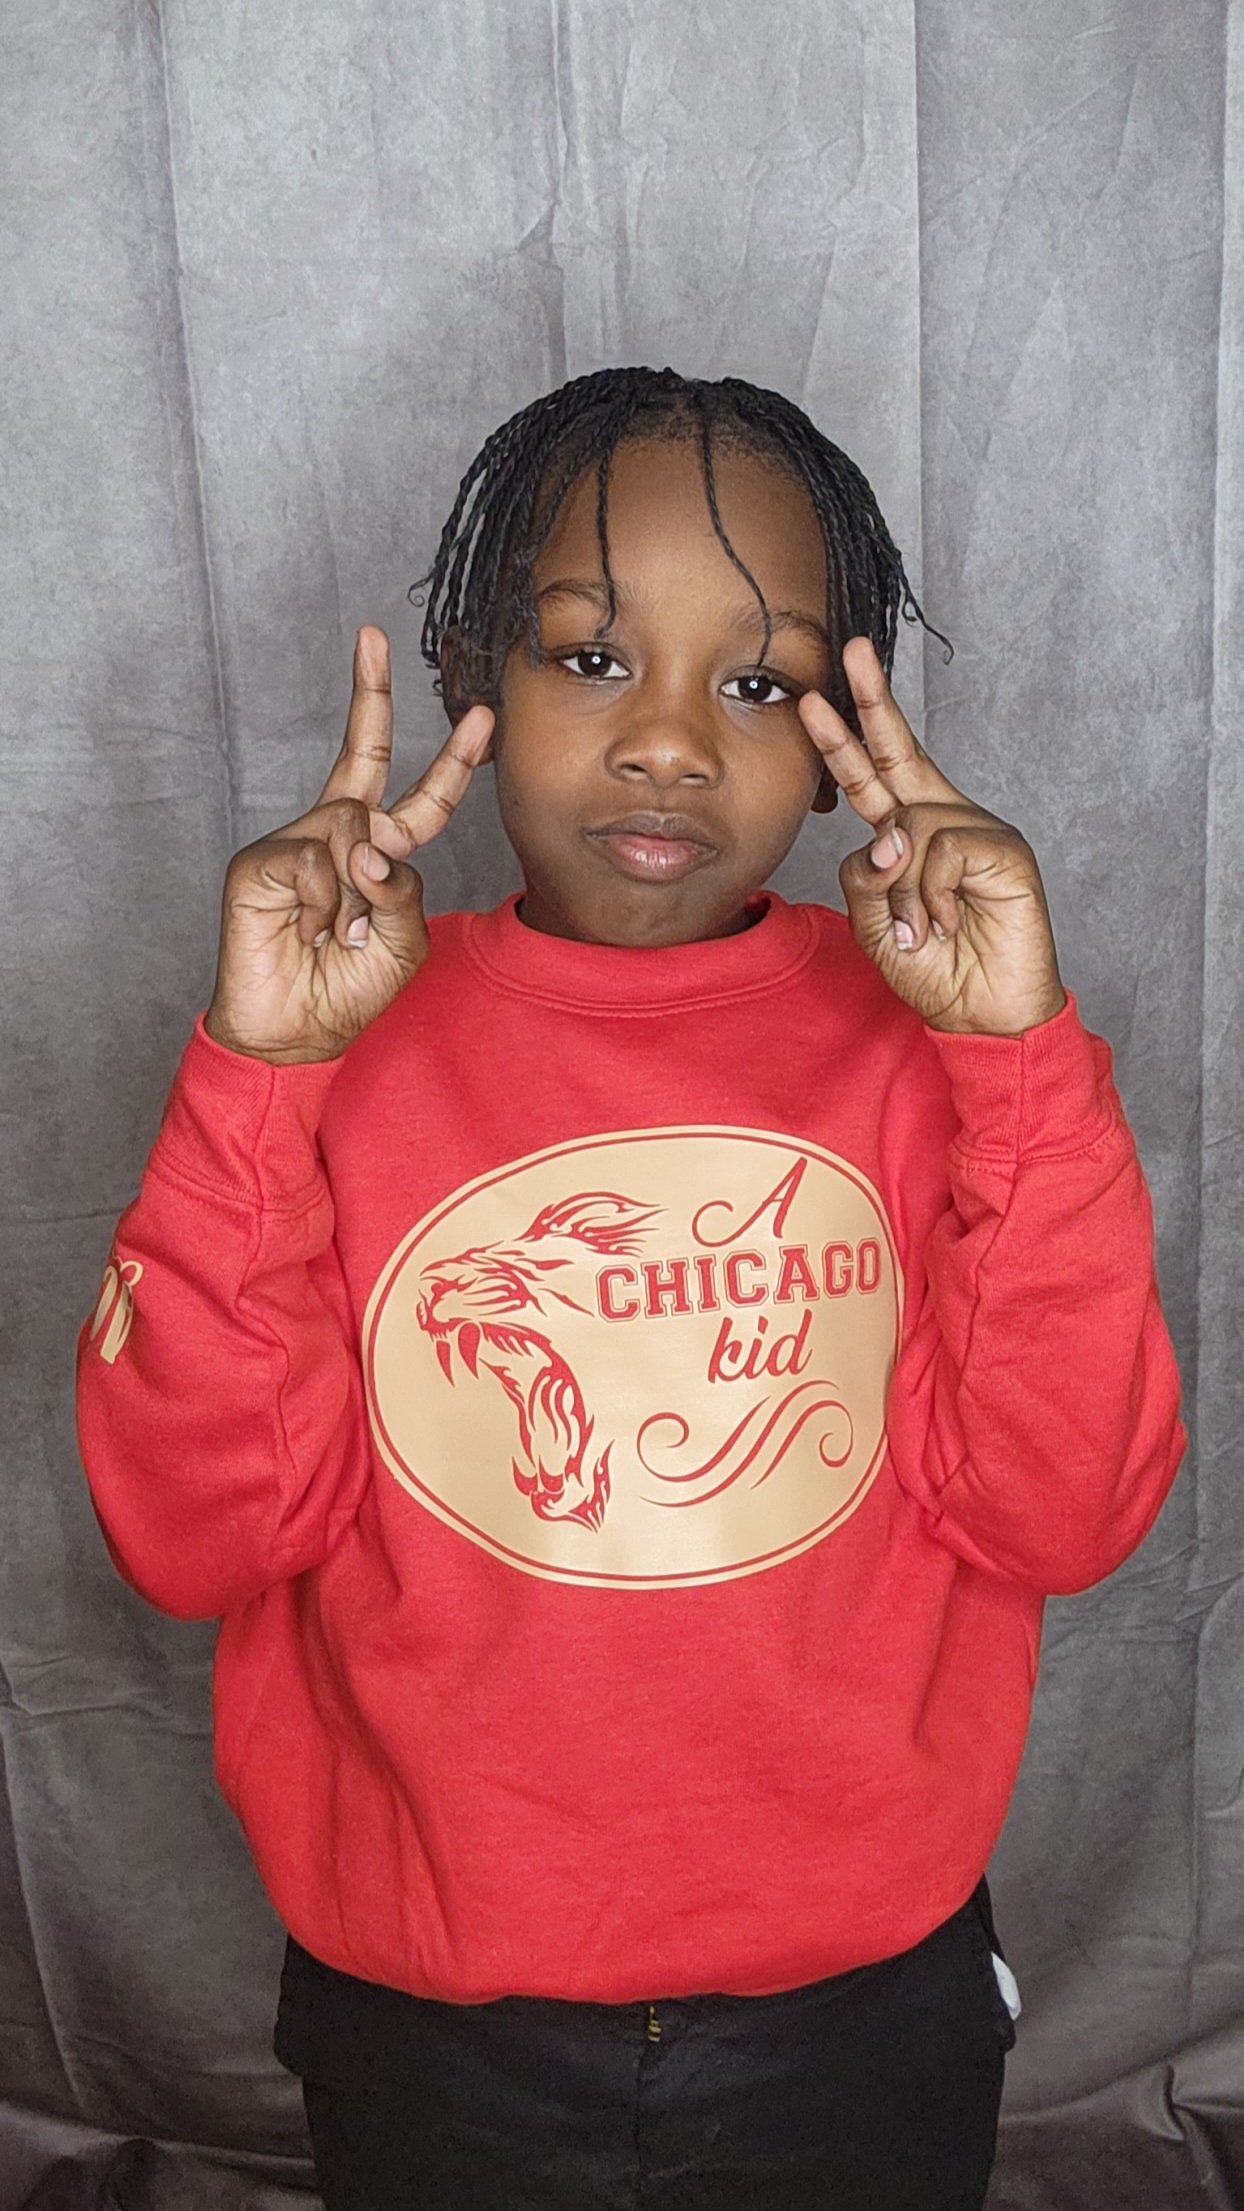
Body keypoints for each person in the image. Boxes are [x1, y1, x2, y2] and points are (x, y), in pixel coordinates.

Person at [75, 365, 1186, 2210]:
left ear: (841, 723)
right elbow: (196, 1540)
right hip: (435, 2021)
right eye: (593, 657)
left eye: (756, 685)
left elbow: (1063, 1508)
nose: (670, 741)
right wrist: (257, 1081)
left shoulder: (930, 1041)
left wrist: (1018, 1061)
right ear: (471, 669)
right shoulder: (345, 1034)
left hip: (861, 2012)